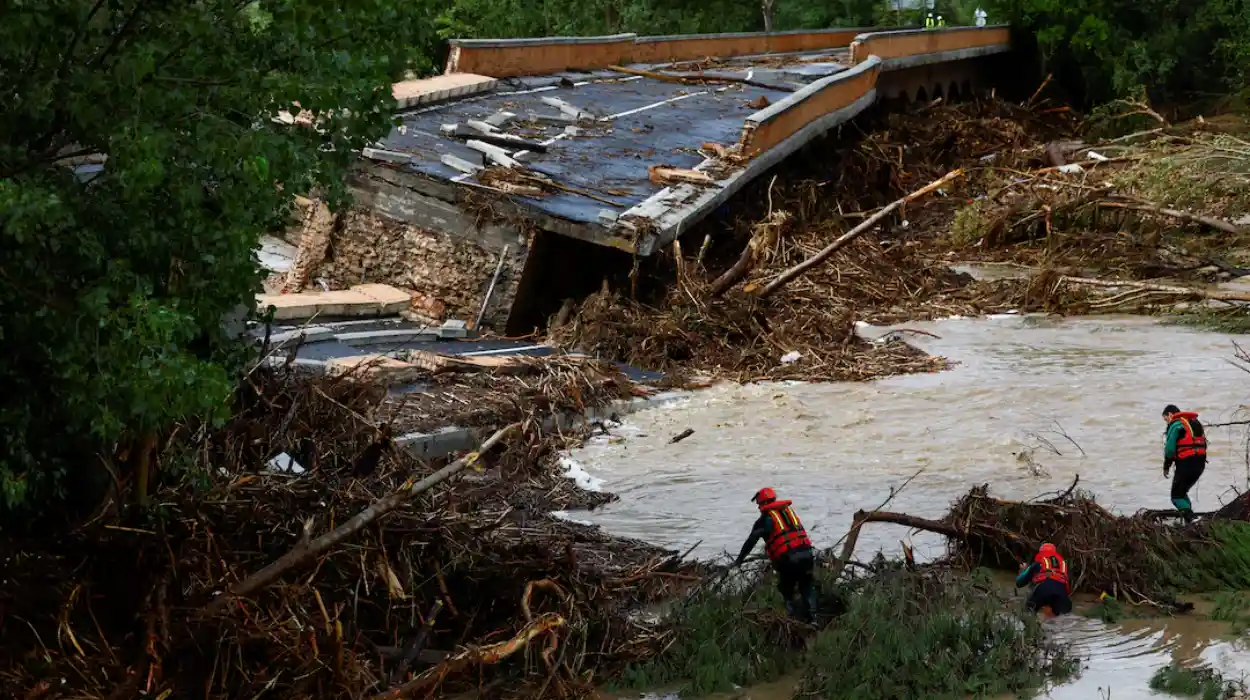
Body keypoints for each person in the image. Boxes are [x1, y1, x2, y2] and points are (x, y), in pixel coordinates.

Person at [733, 488, 817, 622]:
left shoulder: (765, 519)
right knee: (806, 587)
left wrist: (739, 560)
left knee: (785, 589)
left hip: (789, 560)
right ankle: (813, 619)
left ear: (761, 504)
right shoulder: (789, 513)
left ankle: (791, 620)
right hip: (807, 556)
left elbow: (752, 540)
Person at [1163, 404, 1207, 521]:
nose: (1167, 422)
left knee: (1176, 497)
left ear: (1170, 414)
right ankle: (1190, 521)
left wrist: (1166, 466)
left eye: (1166, 419)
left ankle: (1192, 520)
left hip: (1186, 464)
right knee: (1182, 493)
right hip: (1200, 464)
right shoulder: (1194, 424)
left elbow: (1170, 450)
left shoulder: (1176, 424)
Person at [1015, 543, 1073, 616]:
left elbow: (1019, 582)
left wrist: (1023, 570)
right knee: (1062, 620)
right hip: (1062, 593)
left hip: (1043, 589)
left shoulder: (1038, 563)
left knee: (1027, 615)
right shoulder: (1064, 566)